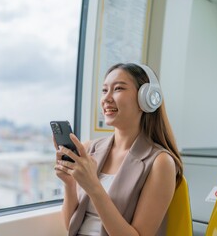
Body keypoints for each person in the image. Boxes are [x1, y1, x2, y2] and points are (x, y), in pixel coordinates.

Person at [54, 63, 183, 236]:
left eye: (118, 89)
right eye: (104, 90)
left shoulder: (160, 163)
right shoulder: (89, 149)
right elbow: (71, 227)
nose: (106, 98)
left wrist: (93, 186)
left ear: (146, 99)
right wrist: (69, 185)